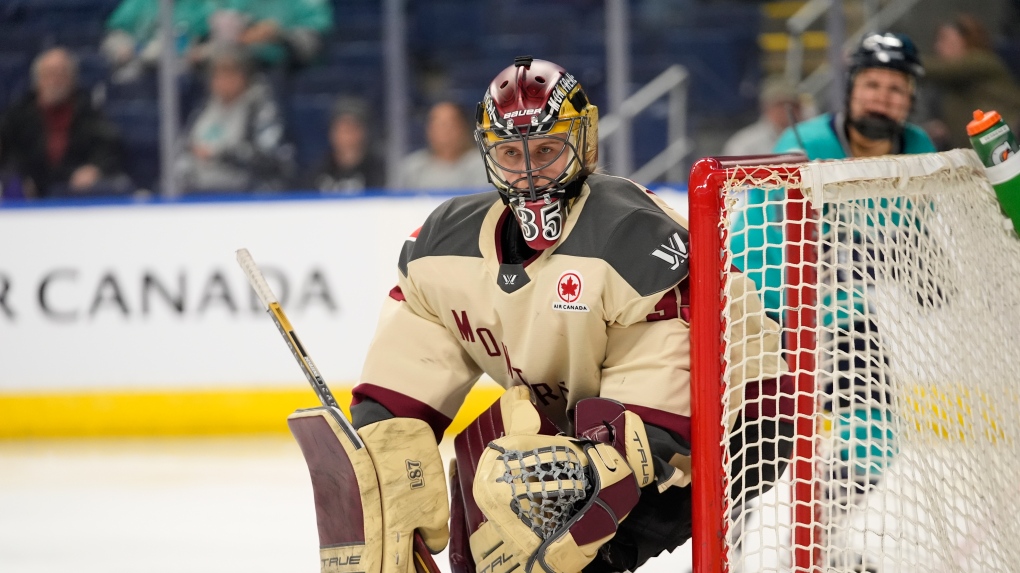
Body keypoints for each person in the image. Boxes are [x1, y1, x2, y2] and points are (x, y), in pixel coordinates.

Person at [345, 56, 793, 573]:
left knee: (556, 542)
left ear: (585, 144)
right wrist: (386, 442)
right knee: (484, 495)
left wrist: (580, 480)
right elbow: (415, 345)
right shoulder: (446, 243)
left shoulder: (631, 238)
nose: (530, 172)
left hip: (738, 419)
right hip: (603, 413)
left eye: (547, 150)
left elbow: (657, 422)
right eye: (512, 153)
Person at [731, 32, 936, 572]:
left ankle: (820, 537)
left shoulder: (922, 154)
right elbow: (752, 241)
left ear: (910, 97)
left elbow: (923, 253)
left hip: (848, 319)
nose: (883, 96)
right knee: (759, 450)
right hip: (774, 318)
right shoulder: (801, 148)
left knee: (875, 429)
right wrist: (787, 312)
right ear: (850, 89)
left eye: (896, 87)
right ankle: (725, 548)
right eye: (872, 83)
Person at [0, 48, 128, 199]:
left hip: (74, 197)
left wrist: (94, 169)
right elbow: (7, 151)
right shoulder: (18, 116)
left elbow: (109, 148)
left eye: (61, 74)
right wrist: (16, 178)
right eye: (49, 74)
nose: (55, 81)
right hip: (27, 198)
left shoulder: (89, 113)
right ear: (38, 80)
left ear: (72, 79)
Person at [174, 46, 294, 193]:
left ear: (245, 76)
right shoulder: (204, 108)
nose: (224, 81)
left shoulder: (260, 108)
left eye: (230, 73)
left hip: (246, 193)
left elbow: (269, 157)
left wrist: (219, 154)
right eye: (218, 75)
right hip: (199, 189)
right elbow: (184, 147)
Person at [923, 13, 1020, 150]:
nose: (938, 47)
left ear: (964, 40)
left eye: (945, 39)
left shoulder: (981, 61)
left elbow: (937, 69)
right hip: (979, 150)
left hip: (1007, 140)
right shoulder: (948, 85)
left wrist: (906, 59)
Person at [190, 0, 334, 70]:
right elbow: (225, 34)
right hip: (243, 66)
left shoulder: (307, 3)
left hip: (287, 69)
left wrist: (279, 35)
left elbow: (314, 40)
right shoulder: (235, 3)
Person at [101, 0, 211, 83]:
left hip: (183, 69)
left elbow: (210, 40)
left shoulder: (200, 4)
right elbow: (115, 31)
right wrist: (122, 46)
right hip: (141, 65)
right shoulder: (140, 3)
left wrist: (200, 51)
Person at [395, 101, 489, 190]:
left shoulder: (483, 165)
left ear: (464, 128)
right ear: (428, 130)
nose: (445, 131)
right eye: (439, 124)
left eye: (451, 124)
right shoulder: (413, 167)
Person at [306, 96, 385, 193]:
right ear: (331, 132)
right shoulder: (317, 172)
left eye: (352, 128)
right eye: (342, 129)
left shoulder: (380, 172)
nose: (347, 135)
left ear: (365, 132)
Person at [722, 76, 804, 156]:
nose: (786, 110)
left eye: (793, 105)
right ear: (766, 107)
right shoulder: (744, 143)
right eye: (780, 105)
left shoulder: (807, 138)